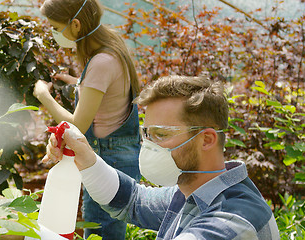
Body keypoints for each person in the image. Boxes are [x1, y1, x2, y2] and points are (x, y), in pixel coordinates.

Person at [45, 76, 281, 239]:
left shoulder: (233, 221)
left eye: (161, 134)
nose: (149, 146)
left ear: (207, 140)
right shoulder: (195, 193)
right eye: (146, 134)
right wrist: (85, 157)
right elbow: (133, 201)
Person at [32, 0, 141, 239]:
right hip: (118, 152)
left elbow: (77, 125)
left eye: (54, 27)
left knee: (100, 231)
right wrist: (75, 83)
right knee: (105, 228)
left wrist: (44, 96)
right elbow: (107, 93)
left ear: (76, 25)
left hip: (108, 156)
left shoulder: (101, 61)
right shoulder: (111, 44)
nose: (52, 32)